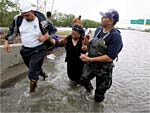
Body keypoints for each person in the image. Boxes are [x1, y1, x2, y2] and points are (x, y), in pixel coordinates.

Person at [4, 3, 56, 93]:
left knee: (32, 71)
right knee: (34, 68)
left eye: (27, 15)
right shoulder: (18, 19)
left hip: (39, 49)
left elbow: (53, 31)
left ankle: (31, 93)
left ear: (32, 12)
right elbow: (13, 31)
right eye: (23, 16)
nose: (25, 18)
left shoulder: (41, 19)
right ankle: (43, 75)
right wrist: (7, 41)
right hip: (26, 50)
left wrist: (46, 37)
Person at [79, 9, 123, 102]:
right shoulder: (98, 30)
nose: (102, 18)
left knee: (99, 94)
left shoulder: (115, 36)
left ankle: (97, 106)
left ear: (111, 21)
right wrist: (87, 49)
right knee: (83, 79)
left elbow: (110, 57)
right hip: (91, 64)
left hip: (104, 69)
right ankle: (90, 91)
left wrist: (89, 59)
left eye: (104, 17)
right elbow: (95, 46)